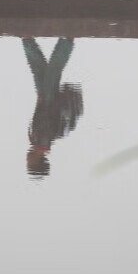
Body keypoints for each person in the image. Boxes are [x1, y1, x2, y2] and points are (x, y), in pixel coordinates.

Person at [22, 37, 83, 177]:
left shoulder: (39, 141)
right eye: (29, 163)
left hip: (44, 99)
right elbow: (46, 117)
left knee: (39, 69)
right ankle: (67, 41)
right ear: (37, 161)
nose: (26, 160)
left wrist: (39, 100)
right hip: (49, 100)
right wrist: (43, 100)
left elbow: (39, 117)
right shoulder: (43, 139)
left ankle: (27, 41)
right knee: (53, 70)